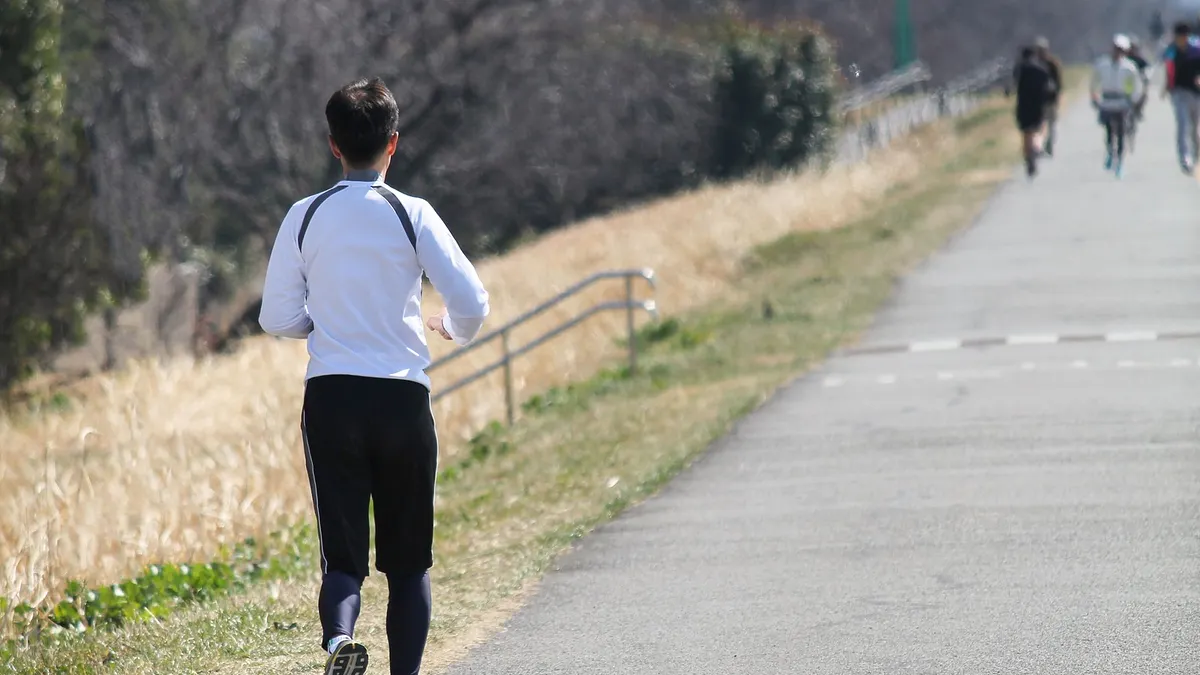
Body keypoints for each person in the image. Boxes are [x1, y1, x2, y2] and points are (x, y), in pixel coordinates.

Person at [259, 77, 491, 675]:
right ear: (393, 144)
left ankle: (339, 640)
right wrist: (452, 328)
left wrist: (322, 323)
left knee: (343, 557)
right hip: (402, 397)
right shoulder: (412, 214)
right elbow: (472, 301)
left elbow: (276, 316)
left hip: (332, 397)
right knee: (409, 562)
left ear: (333, 145)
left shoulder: (303, 216)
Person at [1091, 34, 1144, 177]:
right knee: (1109, 131)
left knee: (1121, 133)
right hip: (1107, 102)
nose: (1117, 52)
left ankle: (1119, 161)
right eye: (1116, 49)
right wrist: (1095, 96)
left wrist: (1133, 100)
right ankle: (1110, 152)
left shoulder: (1129, 67)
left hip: (1122, 103)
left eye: (1120, 49)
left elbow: (1136, 86)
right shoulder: (1103, 64)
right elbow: (1095, 81)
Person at [1162, 22, 1200, 173]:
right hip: (1180, 92)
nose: (1181, 39)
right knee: (1183, 126)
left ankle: (1196, 154)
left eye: (1184, 36)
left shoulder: (1196, 51)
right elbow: (1169, 68)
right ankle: (1185, 158)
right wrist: (1166, 85)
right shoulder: (1172, 51)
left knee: (1195, 128)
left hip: (1196, 93)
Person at [1014, 46, 1054, 177]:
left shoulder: (1020, 69)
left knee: (1026, 133)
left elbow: (1014, 85)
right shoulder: (1041, 69)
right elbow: (1049, 88)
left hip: (1023, 106)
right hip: (1038, 106)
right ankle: (1036, 148)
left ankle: (1028, 156)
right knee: (1038, 130)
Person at [1033, 36, 1064, 156]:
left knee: (1051, 124)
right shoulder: (1034, 64)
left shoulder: (1052, 63)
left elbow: (1058, 82)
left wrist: (1057, 96)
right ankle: (1039, 146)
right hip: (1038, 101)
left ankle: (1049, 144)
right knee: (1040, 125)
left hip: (1050, 99)